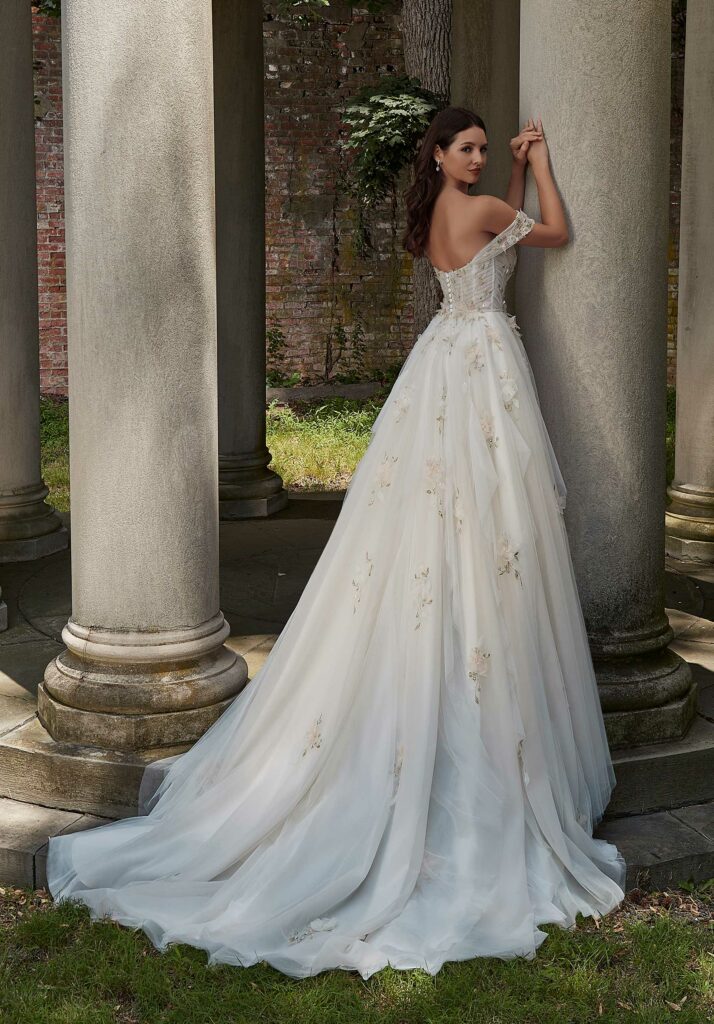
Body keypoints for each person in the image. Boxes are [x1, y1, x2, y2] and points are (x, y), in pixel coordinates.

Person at [46, 106, 626, 980]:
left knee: (437, 527)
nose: (476, 157)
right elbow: (555, 232)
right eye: (467, 148)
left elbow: (495, 251)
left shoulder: (442, 211)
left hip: (443, 365)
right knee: (485, 525)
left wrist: (507, 171)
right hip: (479, 371)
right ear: (440, 153)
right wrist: (538, 163)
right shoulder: (481, 208)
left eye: (482, 149)